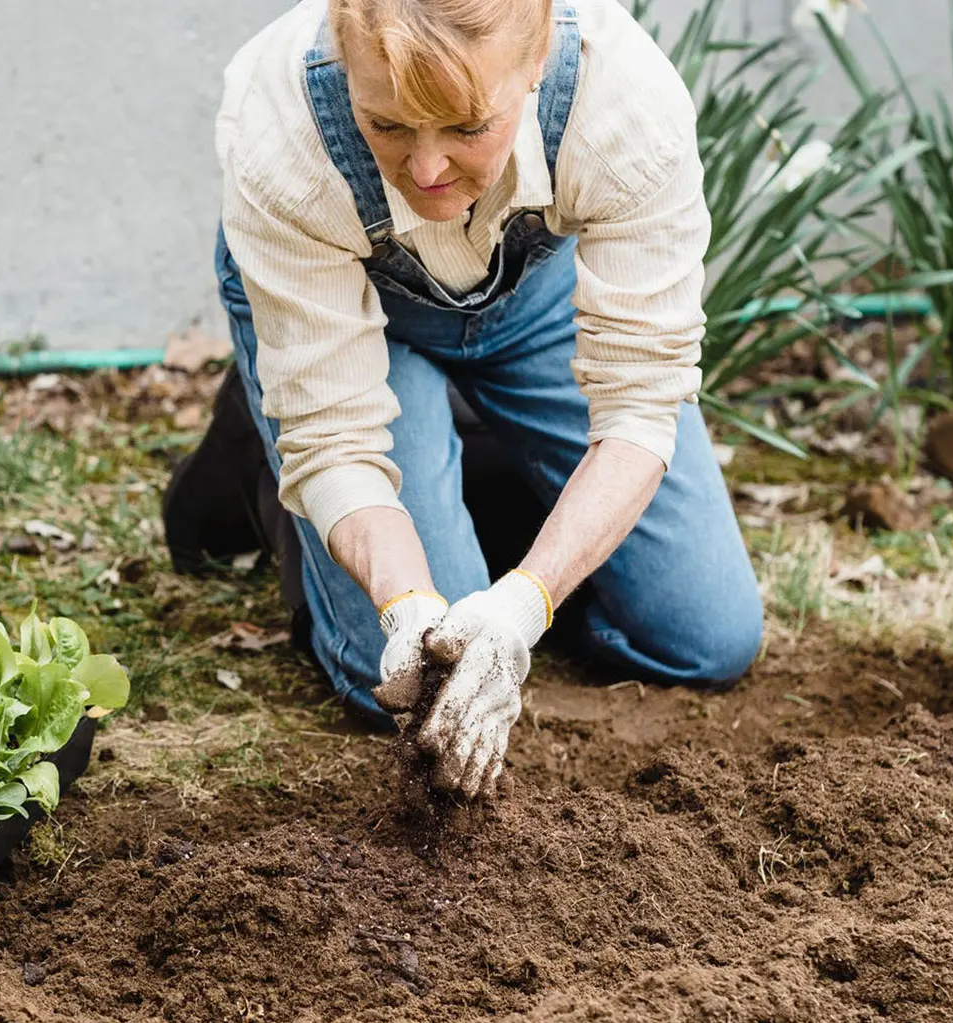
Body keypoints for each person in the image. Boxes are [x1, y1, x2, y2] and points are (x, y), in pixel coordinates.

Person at [214, 0, 763, 798]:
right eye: (389, 126)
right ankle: (281, 448)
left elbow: (640, 410)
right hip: (355, 307)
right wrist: (403, 603)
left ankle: (455, 455)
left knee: (709, 639)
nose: (428, 169)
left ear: (535, 61)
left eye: (468, 127)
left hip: (532, 301)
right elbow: (335, 445)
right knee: (409, 681)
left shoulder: (624, 105)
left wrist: (523, 604)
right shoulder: (281, 138)